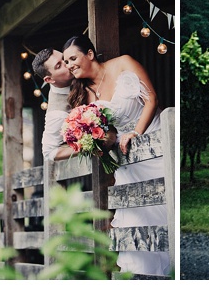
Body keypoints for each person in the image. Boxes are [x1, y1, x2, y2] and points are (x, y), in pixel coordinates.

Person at [60, 34, 167, 277]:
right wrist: (94, 142)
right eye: (66, 62)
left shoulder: (123, 64)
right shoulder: (84, 96)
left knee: (163, 207)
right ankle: (145, 276)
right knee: (136, 219)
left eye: (73, 58)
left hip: (153, 139)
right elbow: (108, 135)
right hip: (127, 161)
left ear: (89, 54)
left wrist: (136, 133)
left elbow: (151, 99)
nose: (70, 65)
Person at [31, 47, 74, 163]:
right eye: (59, 66)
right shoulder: (57, 113)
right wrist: (88, 145)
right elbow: (49, 152)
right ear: (49, 79)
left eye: (63, 58)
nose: (67, 63)